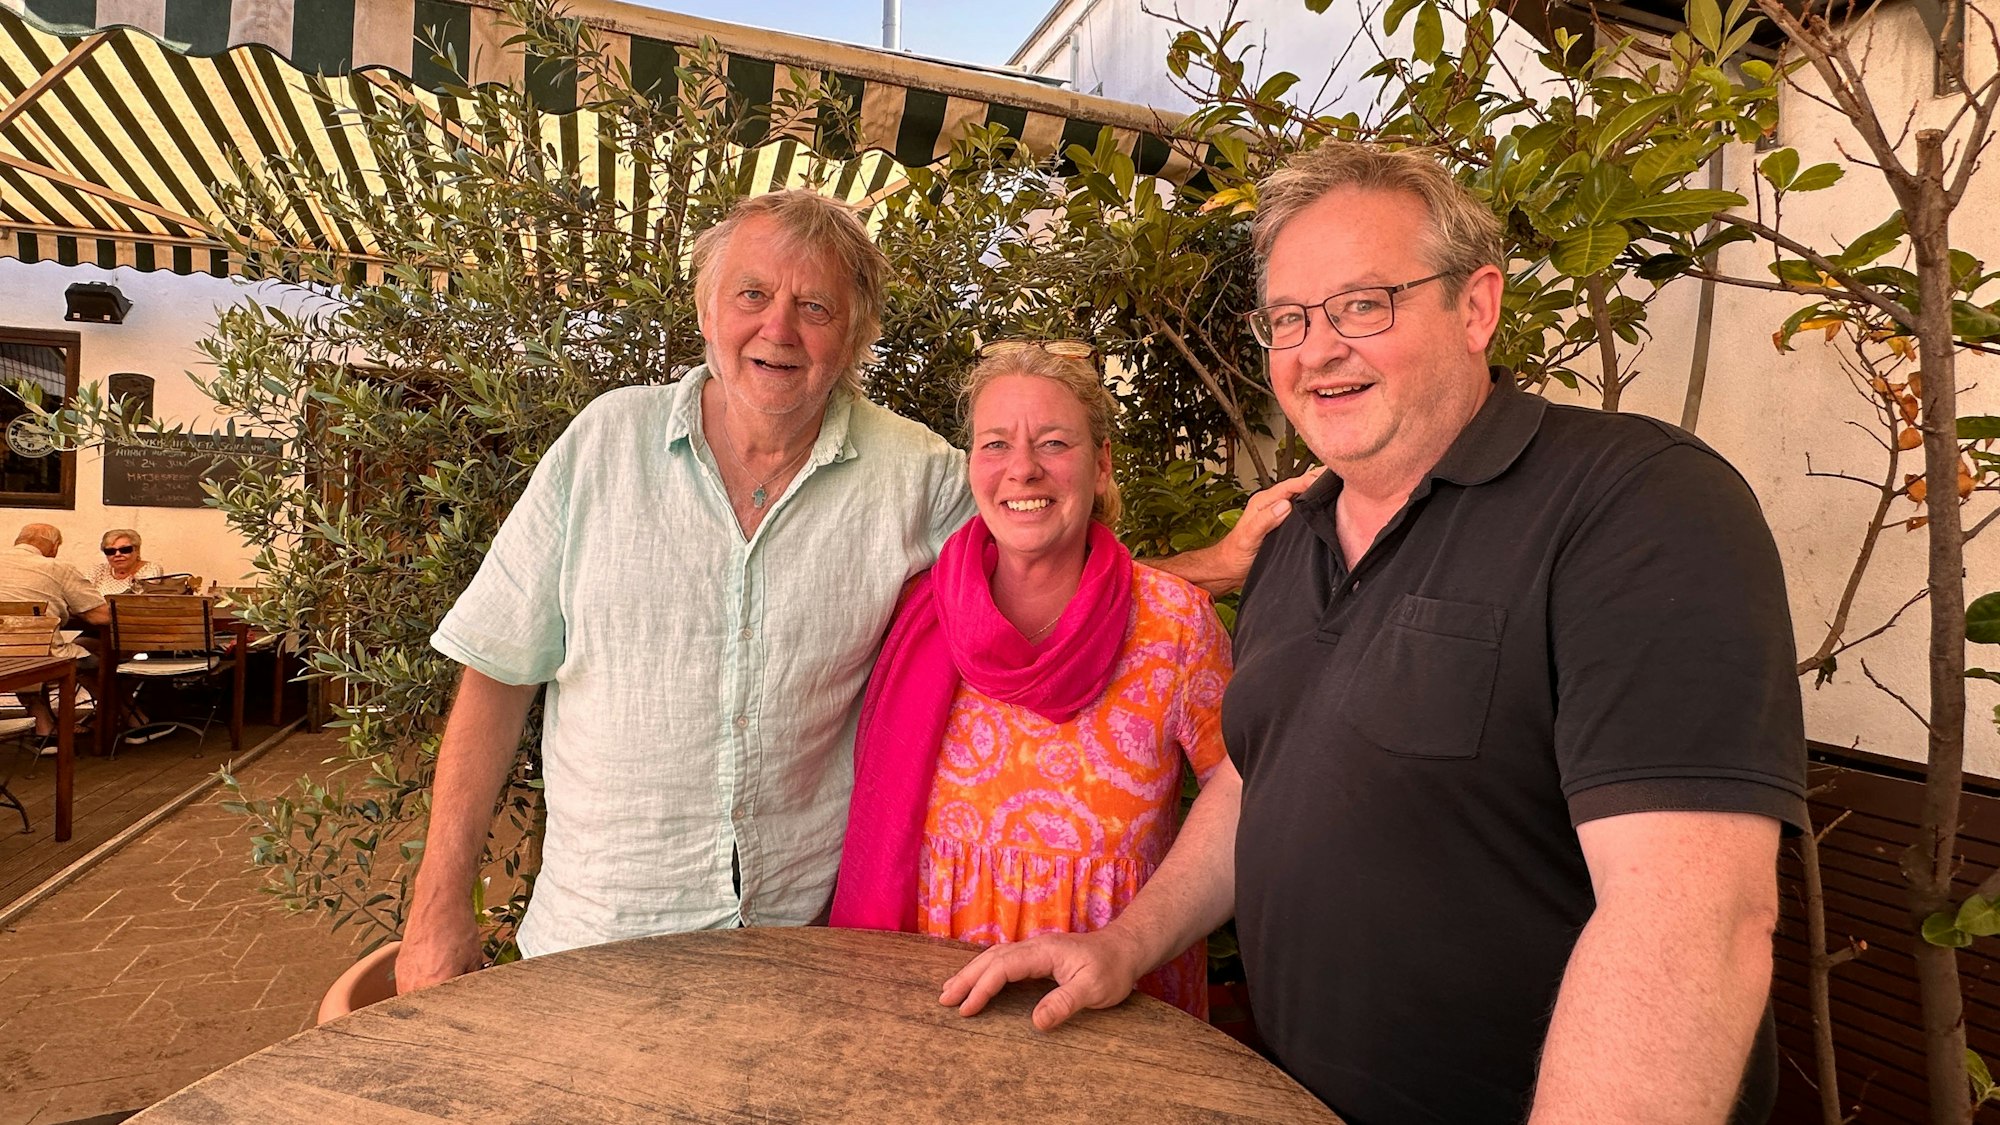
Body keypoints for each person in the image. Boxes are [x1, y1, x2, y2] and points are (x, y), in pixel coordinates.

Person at [941, 142, 1808, 1125]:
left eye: (1363, 305)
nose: (1317, 349)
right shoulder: (1292, 542)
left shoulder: (1632, 505)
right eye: (1288, 320)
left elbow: (1687, 926)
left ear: (1474, 306)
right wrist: (1122, 945)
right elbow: (1256, 782)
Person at [400, 190, 1315, 993]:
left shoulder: (907, 471)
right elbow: (495, 678)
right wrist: (439, 912)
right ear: (708, 308)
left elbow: (1042, 537)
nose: (778, 329)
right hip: (599, 940)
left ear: (854, 337)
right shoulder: (602, 447)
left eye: (815, 307)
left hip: (801, 949)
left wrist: (1214, 564)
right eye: (753, 294)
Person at [829, 343, 1240, 1018]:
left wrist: (1131, 939)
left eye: (1053, 442)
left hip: (1119, 1014)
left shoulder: (1176, 627)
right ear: (972, 467)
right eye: (996, 444)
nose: (1022, 468)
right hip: (931, 1016)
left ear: (1101, 464)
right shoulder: (916, 621)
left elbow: (1247, 790)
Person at [0, 523, 108, 741]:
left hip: (6, 657)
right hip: (40, 656)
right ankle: (115, 718)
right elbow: (99, 616)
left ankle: (44, 726)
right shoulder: (57, 568)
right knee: (93, 661)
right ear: (54, 546)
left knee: (19, 651)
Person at [86, 528, 164, 595]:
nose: (117, 554)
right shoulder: (97, 571)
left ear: (137, 551)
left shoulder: (150, 569)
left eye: (124, 550)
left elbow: (138, 598)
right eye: (110, 551)